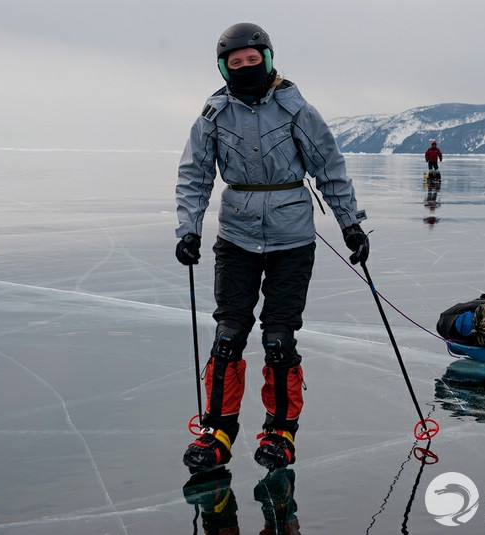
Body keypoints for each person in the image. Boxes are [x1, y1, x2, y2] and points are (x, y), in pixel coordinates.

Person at [175, 22, 369, 472]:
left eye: (253, 59)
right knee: (228, 335)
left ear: (268, 57)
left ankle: (280, 431)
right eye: (235, 62)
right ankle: (217, 430)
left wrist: (351, 225)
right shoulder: (213, 115)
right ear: (223, 67)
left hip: (292, 239)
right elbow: (195, 175)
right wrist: (189, 230)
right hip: (237, 237)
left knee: (279, 338)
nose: (245, 67)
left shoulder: (296, 109)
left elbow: (329, 166)